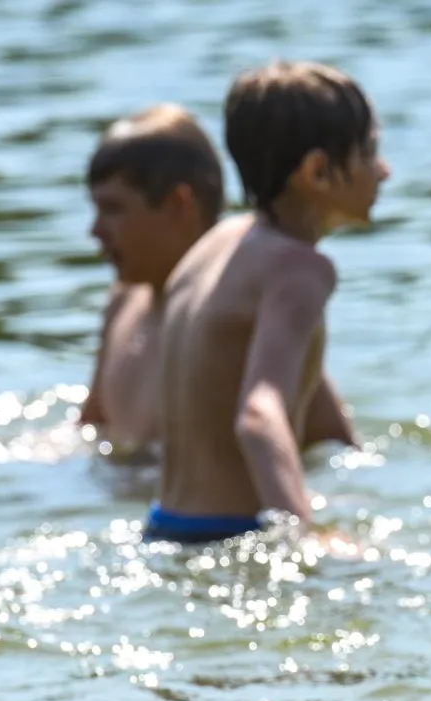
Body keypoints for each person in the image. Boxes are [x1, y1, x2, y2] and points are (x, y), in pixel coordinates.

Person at [148, 61, 386, 543]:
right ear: (318, 172)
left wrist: (350, 459)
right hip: (231, 535)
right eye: (370, 152)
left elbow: (284, 376)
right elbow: (259, 415)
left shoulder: (217, 245)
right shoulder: (300, 269)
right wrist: (303, 536)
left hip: (165, 525)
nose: (383, 170)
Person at [79, 104, 356, 458]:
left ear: (180, 205)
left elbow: (337, 448)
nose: (96, 231)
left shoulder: (236, 314)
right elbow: (90, 429)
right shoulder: (122, 304)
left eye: (113, 209)